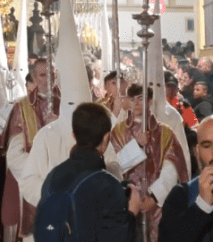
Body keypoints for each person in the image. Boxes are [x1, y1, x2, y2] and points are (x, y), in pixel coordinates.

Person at [35, 102, 142, 241]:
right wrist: (132, 213)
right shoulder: (108, 185)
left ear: (74, 135)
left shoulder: (53, 176)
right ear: (106, 138)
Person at [109, 83, 189, 242]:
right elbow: (114, 166)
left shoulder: (164, 132)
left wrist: (154, 196)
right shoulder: (118, 132)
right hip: (128, 200)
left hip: (157, 202)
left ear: (150, 101)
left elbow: (172, 168)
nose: (136, 104)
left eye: (140, 99)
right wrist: (137, 146)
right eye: (132, 99)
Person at [4, 58, 60, 240]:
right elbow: (14, 155)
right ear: (34, 78)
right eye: (43, 75)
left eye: (51, 75)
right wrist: (39, 176)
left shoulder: (68, 104)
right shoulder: (23, 108)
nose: (48, 80)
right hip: (36, 184)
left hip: (64, 182)